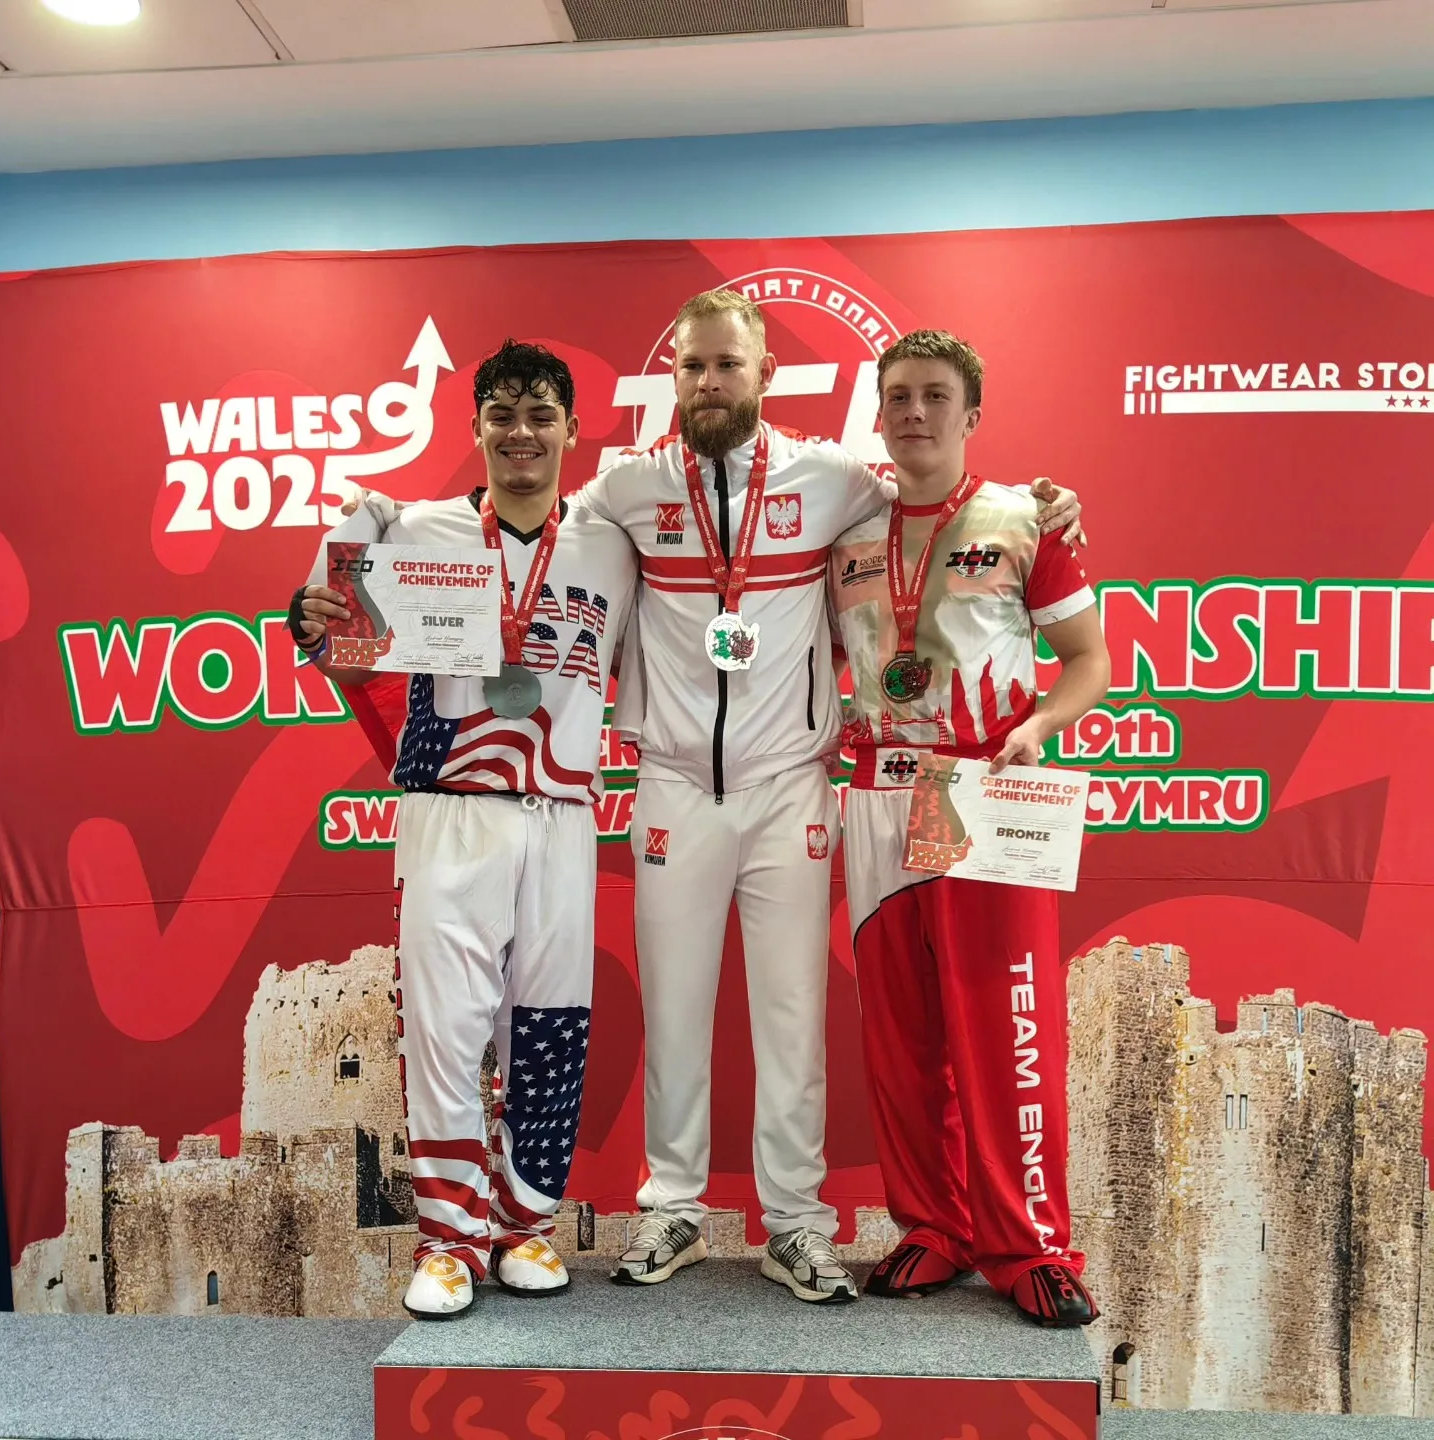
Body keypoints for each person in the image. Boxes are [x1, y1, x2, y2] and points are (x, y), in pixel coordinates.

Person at [582, 290, 1084, 1304]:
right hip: (674, 783)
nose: (710, 382)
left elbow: (944, 505)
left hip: (795, 785)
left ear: (767, 374)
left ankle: (799, 1226)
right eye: (692, 366)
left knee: (793, 1016)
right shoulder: (623, 488)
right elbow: (532, 531)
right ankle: (671, 1206)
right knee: (674, 1011)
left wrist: (1048, 506)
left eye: (728, 364)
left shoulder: (835, 479)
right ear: (670, 376)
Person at [287, 340, 636, 1318]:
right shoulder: (416, 528)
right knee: (445, 1033)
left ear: (573, 430)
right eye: (503, 415)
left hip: (564, 815)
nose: (522, 432)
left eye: (541, 414)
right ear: (476, 427)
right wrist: (311, 612)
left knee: (553, 1027)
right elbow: (337, 640)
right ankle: (448, 1241)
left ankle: (524, 1227)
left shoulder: (612, 543)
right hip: (451, 808)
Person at [827, 329, 1110, 1326]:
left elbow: (1089, 661)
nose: (915, 412)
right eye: (898, 395)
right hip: (876, 792)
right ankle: (933, 1227)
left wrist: (1037, 728)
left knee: (1003, 1028)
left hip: (982, 787)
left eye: (936, 395)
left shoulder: (1026, 517)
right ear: (878, 412)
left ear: (971, 413)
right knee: (900, 1037)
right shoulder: (843, 532)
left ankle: (1027, 1244)